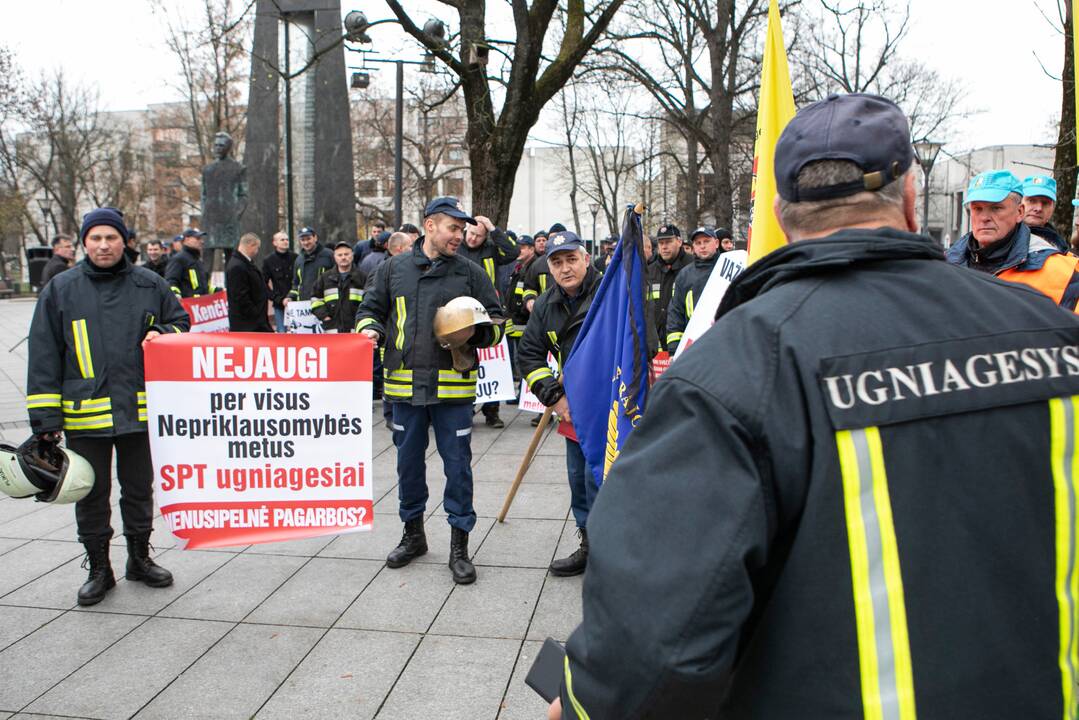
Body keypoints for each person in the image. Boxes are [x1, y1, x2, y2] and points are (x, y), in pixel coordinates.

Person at [551, 92, 1079, 720]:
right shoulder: (1052, 335)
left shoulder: (732, 370)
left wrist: (587, 701)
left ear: (780, 214)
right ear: (911, 197)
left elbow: (658, 638)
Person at [27, 207, 189, 607]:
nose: (103, 245)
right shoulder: (61, 289)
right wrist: (46, 421)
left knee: (138, 489)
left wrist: (163, 331)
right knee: (91, 494)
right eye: (96, 238)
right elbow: (44, 355)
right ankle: (99, 567)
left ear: (124, 241)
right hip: (85, 416)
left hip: (139, 412)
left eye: (111, 237)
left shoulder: (150, 283)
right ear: (84, 243)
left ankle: (139, 559)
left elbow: (183, 324)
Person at [354, 196, 504, 585]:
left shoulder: (471, 272)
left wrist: (479, 332)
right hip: (404, 390)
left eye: (463, 228)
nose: (461, 235)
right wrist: (369, 329)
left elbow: (499, 320)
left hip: (454, 392)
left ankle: (459, 546)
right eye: (454, 228)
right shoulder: (392, 270)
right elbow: (369, 310)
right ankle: (414, 535)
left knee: (458, 468)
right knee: (407, 466)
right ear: (430, 225)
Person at [517, 230, 602, 577]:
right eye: (557, 262)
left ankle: (612, 552)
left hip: (614, 403)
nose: (565, 268)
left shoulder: (609, 293)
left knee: (606, 481)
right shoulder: (547, 304)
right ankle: (588, 545)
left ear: (585, 258)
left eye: (571, 259)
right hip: (574, 408)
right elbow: (529, 354)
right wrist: (556, 396)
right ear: (549, 267)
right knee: (579, 480)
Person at [946, 170, 1079, 312]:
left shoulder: (1063, 271)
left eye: (996, 208)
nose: (984, 217)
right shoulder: (945, 263)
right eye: (977, 209)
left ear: (1020, 212)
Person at [461, 215, 519, 428]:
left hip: (488, 311)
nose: (473, 239)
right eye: (471, 233)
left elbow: (513, 252)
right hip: (463, 312)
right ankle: (466, 409)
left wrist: (493, 229)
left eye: (479, 236)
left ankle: (492, 412)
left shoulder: (491, 250)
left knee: (492, 365)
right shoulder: (457, 248)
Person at [665, 226, 723, 353]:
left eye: (706, 241)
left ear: (717, 243)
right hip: (694, 344)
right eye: (698, 243)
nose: (702, 246)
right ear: (693, 247)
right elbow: (676, 312)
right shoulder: (685, 275)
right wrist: (674, 349)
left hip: (724, 342)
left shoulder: (727, 269)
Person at [645, 224, 691, 356]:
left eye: (669, 242)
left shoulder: (692, 267)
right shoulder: (650, 271)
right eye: (661, 243)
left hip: (684, 347)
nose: (664, 246)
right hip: (655, 351)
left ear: (679, 242)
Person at [311, 241, 367, 333]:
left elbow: (369, 301)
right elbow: (315, 299)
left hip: (356, 329)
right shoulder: (324, 278)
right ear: (335, 257)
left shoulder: (363, 278)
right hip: (332, 330)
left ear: (352, 255)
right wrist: (325, 316)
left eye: (346, 254)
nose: (343, 257)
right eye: (340, 255)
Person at [504, 234, 537, 386]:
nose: (519, 250)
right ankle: (522, 391)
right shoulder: (520, 266)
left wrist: (521, 312)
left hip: (525, 321)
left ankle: (525, 392)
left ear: (531, 249)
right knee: (517, 358)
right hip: (516, 321)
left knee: (523, 358)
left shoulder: (533, 266)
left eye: (523, 247)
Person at [225, 232, 272, 332]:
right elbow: (240, 296)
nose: (257, 251)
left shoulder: (244, 263)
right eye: (257, 248)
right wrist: (255, 313)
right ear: (251, 245)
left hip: (253, 321)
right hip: (248, 324)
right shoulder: (237, 266)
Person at [1022, 174, 1069, 253]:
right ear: (1019, 203)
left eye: (1045, 203)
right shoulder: (1003, 236)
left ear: (1053, 208)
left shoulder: (1058, 242)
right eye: (1032, 201)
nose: (1039, 208)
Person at [286, 226, 334, 303]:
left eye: (308, 239)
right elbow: (296, 284)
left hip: (324, 303)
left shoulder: (329, 255)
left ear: (315, 238)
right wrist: (290, 297)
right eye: (302, 240)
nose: (306, 242)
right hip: (304, 306)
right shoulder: (298, 260)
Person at [262, 231, 296, 333]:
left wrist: (292, 296)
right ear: (275, 243)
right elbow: (263, 283)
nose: (285, 242)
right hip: (279, 304)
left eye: (287, 239)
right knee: (282, 332)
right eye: (282, 240)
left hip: (296, 302)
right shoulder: (268, 260)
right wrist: (277, 299)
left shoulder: (296, 258)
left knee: (299, 332)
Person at [165, 228, 214, 298]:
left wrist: (220, 291)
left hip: (201, 305)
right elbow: (171, 281)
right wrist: (176, 296)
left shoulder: (197, 260)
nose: (202, 241)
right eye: (198, 238)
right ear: (187, 240)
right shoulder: (178, 259)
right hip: (188, 306)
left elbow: (205, 286)